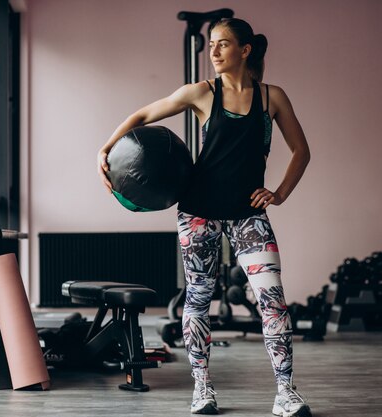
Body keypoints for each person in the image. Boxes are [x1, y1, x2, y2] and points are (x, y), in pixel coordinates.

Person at [97, 17, 311, 417]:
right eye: (211, 44)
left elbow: (301, 150)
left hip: (248, 215)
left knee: (273, 301)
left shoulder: (272, 97)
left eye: (223, 44)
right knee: (198, 299)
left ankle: (286, 392)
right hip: (199, 214)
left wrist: (279, 193)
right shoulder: (201, 93)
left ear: (245, 51)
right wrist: (104, 150)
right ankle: (202, 388)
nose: (213, 51)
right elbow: (144, 115)